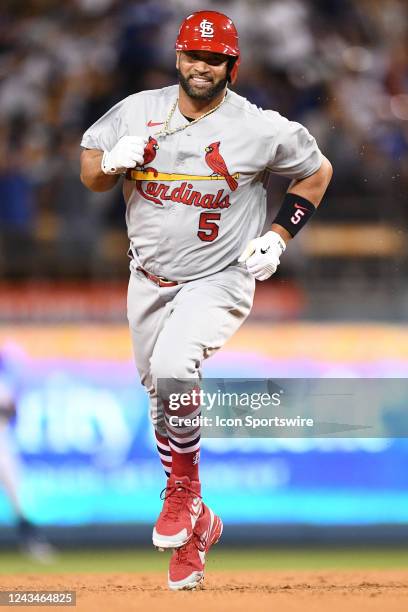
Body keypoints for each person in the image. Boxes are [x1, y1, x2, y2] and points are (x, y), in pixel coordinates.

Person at [80, 10, 332, 590]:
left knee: (174, 368)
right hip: (147, 279)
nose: (202, 66)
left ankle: (183, 492)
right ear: (178, 56)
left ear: (232, 66)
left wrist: (278, 235)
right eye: (194, 54)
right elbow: (89, 169)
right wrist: (112, 164)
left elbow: (316, 174)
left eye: (214, 58)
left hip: (219, 275)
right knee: (160, 403)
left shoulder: (260, 127)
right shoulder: (136, 111)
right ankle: (199, 527)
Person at [0, 357, 56, 562]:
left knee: (17, 498)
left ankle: (33, 543)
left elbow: (11, 411)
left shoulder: (3, 383)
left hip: (2, 446)